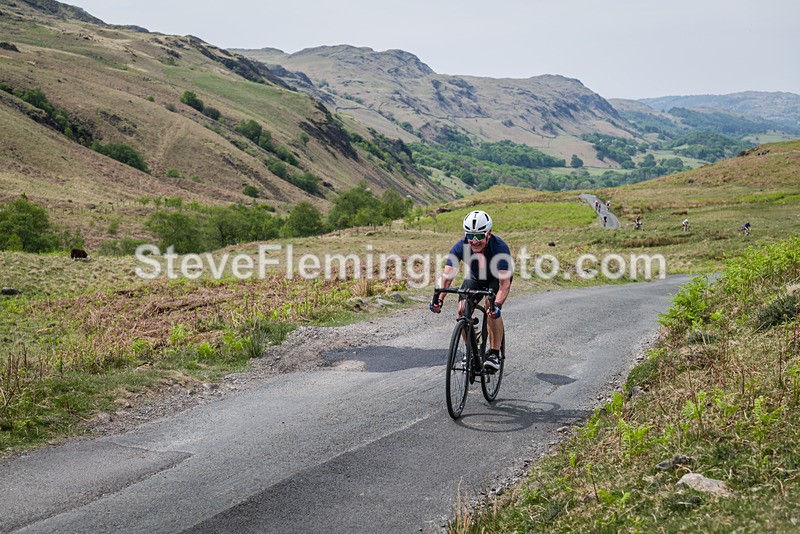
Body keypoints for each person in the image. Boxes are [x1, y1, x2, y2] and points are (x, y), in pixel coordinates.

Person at [430, 210, 511, 372]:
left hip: (496, 279)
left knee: (490, 305)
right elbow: (447, 276)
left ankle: (494, 353)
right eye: (470, 235)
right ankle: (471, 350)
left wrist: (498, 305)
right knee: (462, 309)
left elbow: (504, 285)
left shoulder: (500, 248)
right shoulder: (460, 246)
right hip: (475, 277)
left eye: (479, 236)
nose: (474, 241)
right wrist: (439, 298)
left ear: (489, 234)